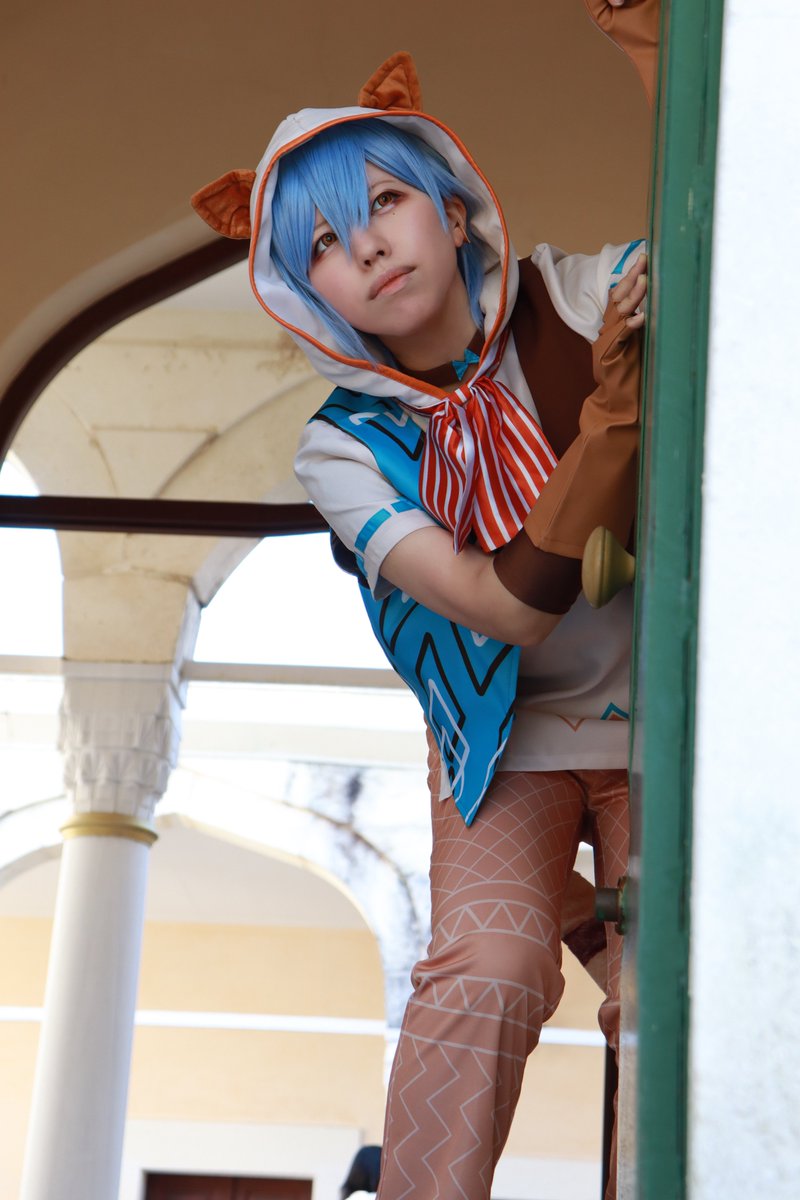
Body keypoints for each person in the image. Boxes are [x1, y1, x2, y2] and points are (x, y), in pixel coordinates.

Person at [191, 4, 657, 1196]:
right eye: (325, 244)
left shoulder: (577, 296)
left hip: (670, 724)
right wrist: (609, 423)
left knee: (668, 994)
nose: (368, 247)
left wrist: (653, 49)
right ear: (310, 295)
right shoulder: (342, 449)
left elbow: (721, 245)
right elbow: (505, 610)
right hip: (507, 738)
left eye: (386, 202)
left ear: (453, 210)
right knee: (486, 968)